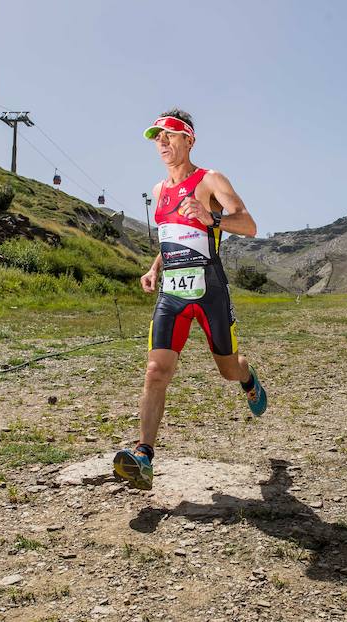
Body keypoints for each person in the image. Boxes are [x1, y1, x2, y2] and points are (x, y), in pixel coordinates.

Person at [112, 109, 267, 490]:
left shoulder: (210, 179)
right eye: (156, 137)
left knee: (228, 370)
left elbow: (248, 225)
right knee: (156, 371)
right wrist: (154, 268)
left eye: (169, 135)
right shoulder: (159, 191)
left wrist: (212, 218)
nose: (161, 142)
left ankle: (247, 377)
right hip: (173, 293)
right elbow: (173, 236)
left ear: (189, 140)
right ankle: (144, 456)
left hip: (210, 288)